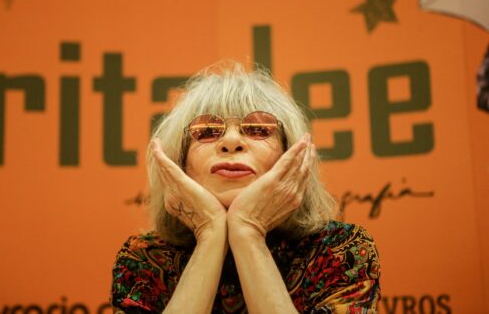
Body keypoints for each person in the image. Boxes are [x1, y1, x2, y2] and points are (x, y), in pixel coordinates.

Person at [110, 62, 381, 313]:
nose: (230, 142)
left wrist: (248, 229)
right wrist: (210, 231)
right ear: (179, 161)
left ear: (292, 154)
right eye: (206, 131)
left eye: (258, 130)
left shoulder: (340, 250)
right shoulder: (142, 258)